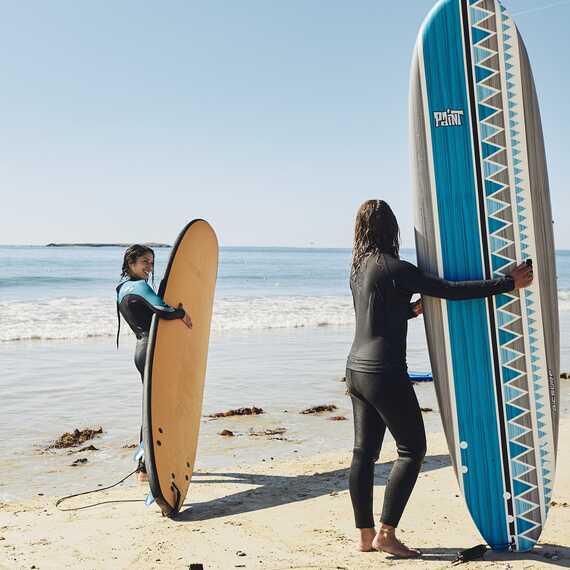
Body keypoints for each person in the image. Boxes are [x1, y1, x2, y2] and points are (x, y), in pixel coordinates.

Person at [346, 200, 533, 557]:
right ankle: (387, 533)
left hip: (355, 370)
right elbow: (450, 289)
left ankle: (365, 536)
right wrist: (506, 283)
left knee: (363, 454)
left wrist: (411, 310)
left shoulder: (357, 269)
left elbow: (376, 316)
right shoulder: (398, 268)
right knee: (412, 449)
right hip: (385, 372)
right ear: (392, 229)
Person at [116, 244, 192, 480]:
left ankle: (145, 467)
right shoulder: (140, 286)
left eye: (151, 262)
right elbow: (163, 309)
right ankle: (146, 468)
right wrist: (182, 313)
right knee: (156, 410)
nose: (149, 267)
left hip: (141, 350)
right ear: (131, 263)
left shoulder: (121, 287)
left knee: (151, 408)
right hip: (153, 352)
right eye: (144, 262)